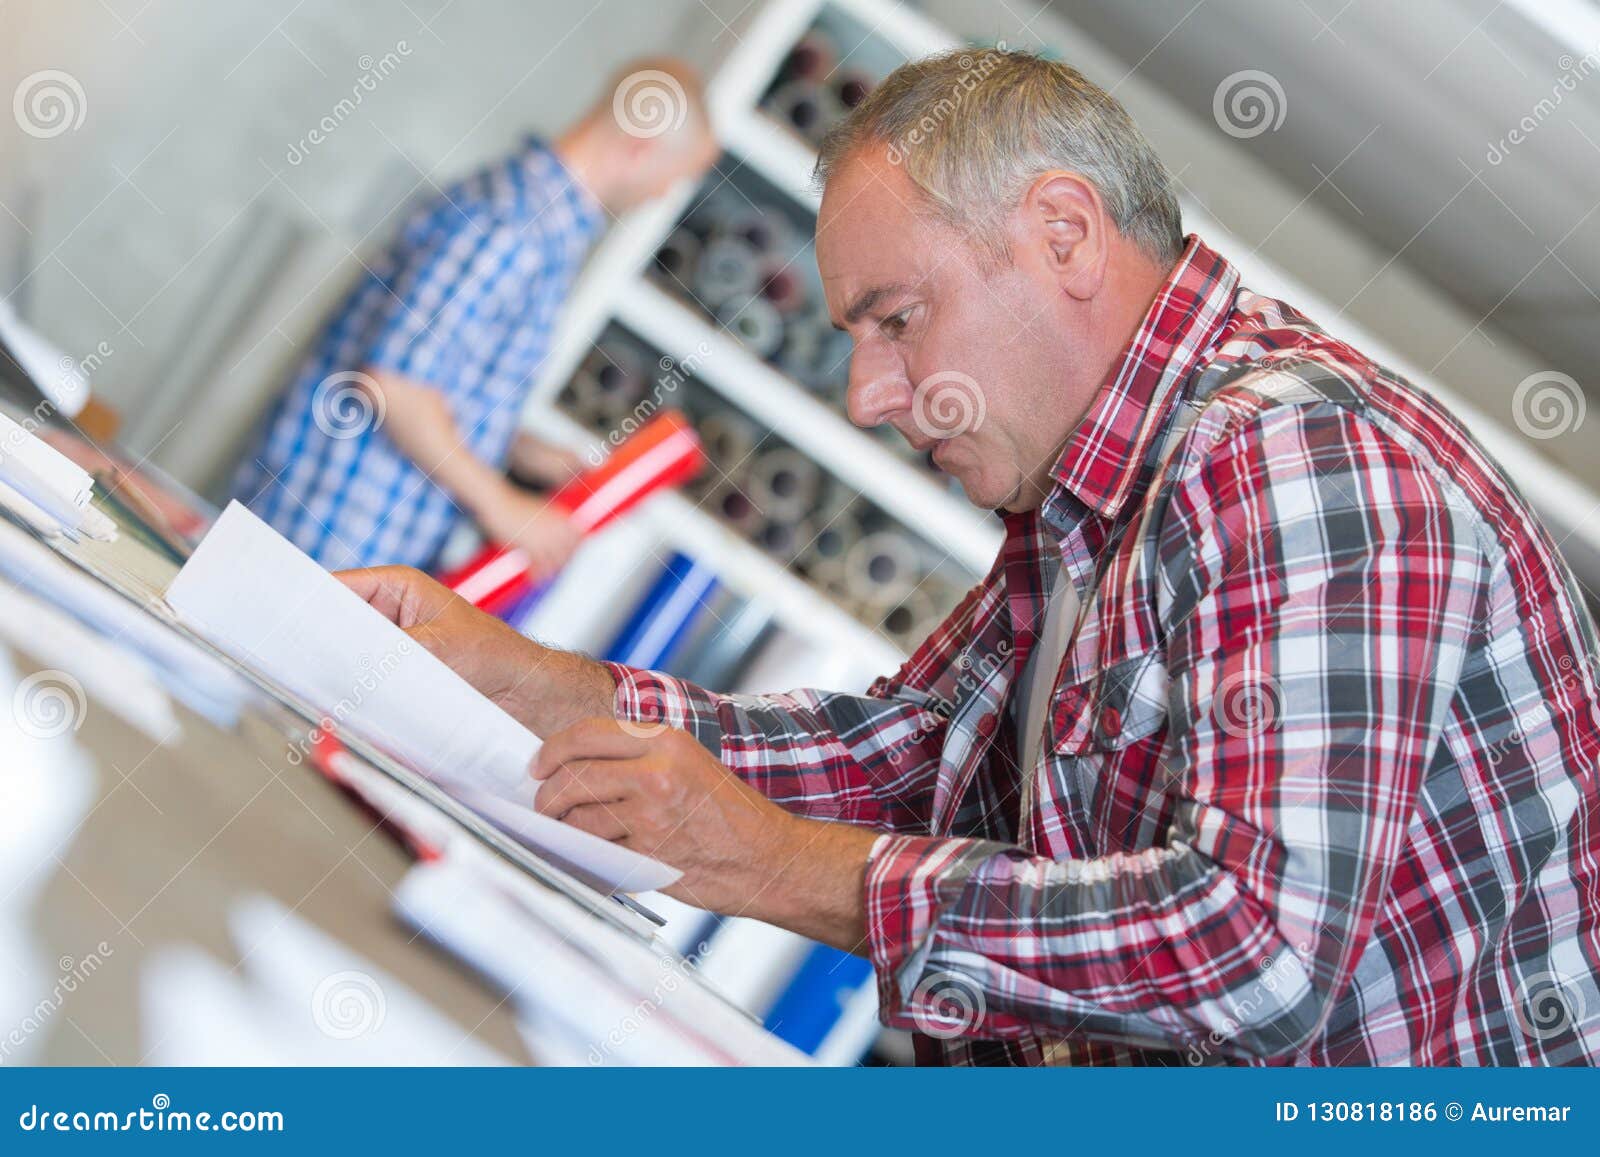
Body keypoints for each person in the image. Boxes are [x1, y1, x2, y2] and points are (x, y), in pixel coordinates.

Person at [340, 51, 1600, 1066]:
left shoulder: (1298, 462)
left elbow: (1251, 949)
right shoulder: (1089, 491)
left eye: (896, 319)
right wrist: (536, 687)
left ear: (1062, 235)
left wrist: (770, 864)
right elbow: (906, 751)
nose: (868, 394)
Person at [231, 59, 718, 577]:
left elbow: (439, 382)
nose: (664, 195)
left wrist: (525, 452)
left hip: (350, 543)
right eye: (675, 178)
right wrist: (502, 505)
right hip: (328, 536)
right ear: (640, 149)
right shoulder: (514, 224)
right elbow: (396, 385)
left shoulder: (535, 224)